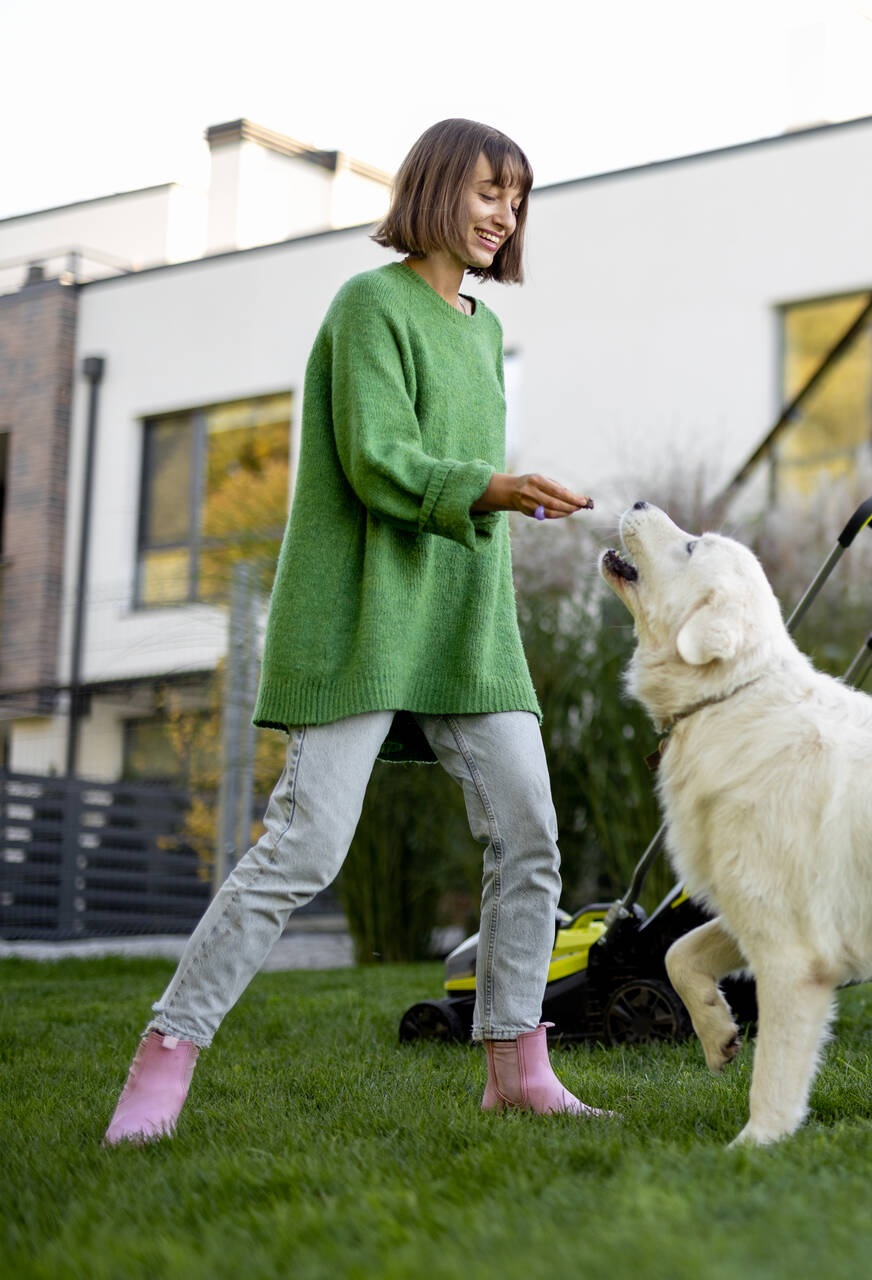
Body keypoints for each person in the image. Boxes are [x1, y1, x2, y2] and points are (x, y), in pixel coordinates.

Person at [105, 119, 609, 1145]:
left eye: (517, 198)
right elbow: (380, 458)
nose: (504, 213)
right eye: (486, 190)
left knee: (531, 835)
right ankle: (165, 1054)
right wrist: (496, 486)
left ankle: (517, 1064)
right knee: (304, 846)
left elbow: (456, 480)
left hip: (468, 625)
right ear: (432, 190)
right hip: (365, 617)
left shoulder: (478, 331)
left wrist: (498, 496)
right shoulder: (367, 306)